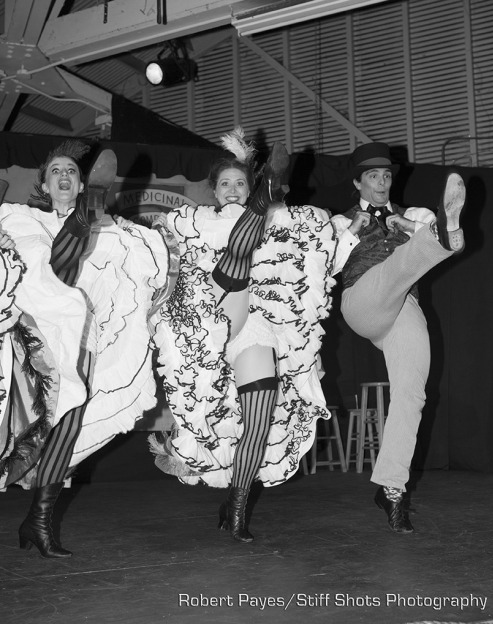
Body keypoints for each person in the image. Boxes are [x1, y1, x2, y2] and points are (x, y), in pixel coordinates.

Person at [149, 128, 338, 542]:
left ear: (250, 189)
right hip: (210, 320)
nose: (232, 190)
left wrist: (307, 345)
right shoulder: (195, 225)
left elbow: (302, 285)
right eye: (225, 185)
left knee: (258, 419)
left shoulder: (282, 226)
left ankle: (236, 508)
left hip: (254, 328)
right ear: (214, 193)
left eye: (241, 184)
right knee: (234, 263)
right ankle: (267, 188)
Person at [0, 140, 174, 557]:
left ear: (79, 186)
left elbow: (141, 277)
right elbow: (38, 276)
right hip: (32, 337)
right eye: (56, 170)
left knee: (68, 427)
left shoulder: (115, 234)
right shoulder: (23, 221)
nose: (64, 175)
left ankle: (38, 522)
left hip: (80, 340)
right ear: (44, 183)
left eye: (72, 173)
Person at [331, 141, 466, 533]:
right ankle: (444, 236)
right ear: (358, 182)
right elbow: (327, 265)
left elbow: (416, 230)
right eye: (373, 176)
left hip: (401, 306)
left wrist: (408, 227)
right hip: (363, 300)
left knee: (412, 394)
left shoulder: (413, 214)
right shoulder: (340, 222)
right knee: (399, 265)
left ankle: (391, 489)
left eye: (387, 176)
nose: (382, 182)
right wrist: (353, 232)